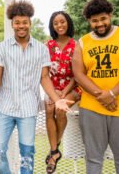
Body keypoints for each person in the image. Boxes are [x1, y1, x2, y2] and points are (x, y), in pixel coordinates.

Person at [0, 0, 73, 174]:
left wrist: (57, 100)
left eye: (24, 22)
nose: (21, 26)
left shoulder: (41, 49)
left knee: (27, 155)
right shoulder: (1, 48)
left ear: (30, 23)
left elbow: (44, 78)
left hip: (28, 110)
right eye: (17, 22)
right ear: (12, 24)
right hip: (5, 108)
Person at [72, 0, 119, 174]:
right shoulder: (83, 42)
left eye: (103, 19)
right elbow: (79, 74)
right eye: (94, 21)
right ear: (89, 21)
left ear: (110, 15)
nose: (100, 24)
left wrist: (112, 93)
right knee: (93, 160)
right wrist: (102, 95)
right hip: (92, 109)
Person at [44, 11, 81, 173]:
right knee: (49, 108)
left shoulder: (77, 45)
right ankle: (54, 151)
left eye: (62, 22)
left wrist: (64, 93)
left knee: (60, 108)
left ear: (68, 23)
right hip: (52, 87)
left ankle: (54, 152)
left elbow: (77, 74)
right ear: (52, 26)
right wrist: (54, 93)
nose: (60, 25)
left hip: (72, 86)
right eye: (56, 23)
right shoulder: (48, 46)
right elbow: (44, 74)